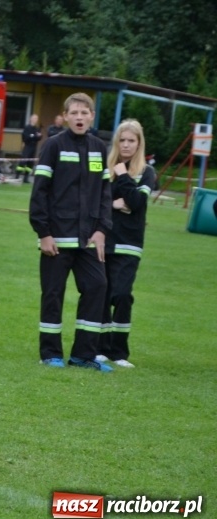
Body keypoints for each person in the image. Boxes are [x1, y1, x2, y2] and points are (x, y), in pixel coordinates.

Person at [29, 92, 112, 372]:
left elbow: (104, 193)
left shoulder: (99, 148)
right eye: (74, 113)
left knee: (97, 286)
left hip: (89, 239)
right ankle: (50, 354)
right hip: (57, 238)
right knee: (53, 294)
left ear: (91, 116)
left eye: (84, 112)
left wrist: (101, 229)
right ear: (65, 117)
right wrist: (44, 233)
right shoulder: (53, 146)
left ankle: (83, 356)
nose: (79, 117)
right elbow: (39, 192)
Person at [96, 119, 155, 369]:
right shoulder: (104, 168)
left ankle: (120, 352)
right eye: (123, 140)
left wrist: (122, 176)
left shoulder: (147, 172)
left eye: (132, 140)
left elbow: (137, 203)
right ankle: (102, 348)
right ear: (116, 142)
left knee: (121, 295)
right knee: (102, 294)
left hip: (129, 245)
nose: (127, 145)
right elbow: (97, 201)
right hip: (103, 241)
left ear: (139, 143)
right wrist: (113, 204)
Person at [18, 114, 42, 183]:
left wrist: (37, 136)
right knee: (23, 161)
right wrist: (34, 136)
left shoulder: (36, 129)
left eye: (36, 119)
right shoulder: (27, 127)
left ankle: (26, 178)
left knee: (30, 163)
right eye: (34, 118)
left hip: (33, 147)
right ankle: (17, 176)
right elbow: (26, 137)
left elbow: (39, 137)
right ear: (31, 119)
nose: (35, 120)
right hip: (27, 146)